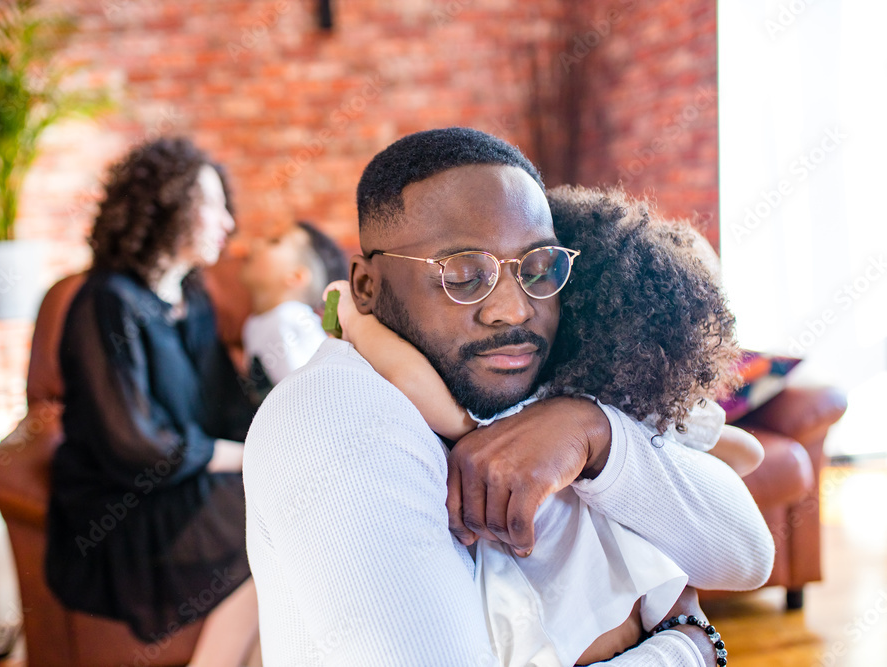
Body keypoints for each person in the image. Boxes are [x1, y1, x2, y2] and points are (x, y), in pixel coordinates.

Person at [243, 127, 775, 665]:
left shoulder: (560, 391)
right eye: (464, 275)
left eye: (539, 269)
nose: (514, 310)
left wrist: (593, 432)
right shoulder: (338, 417)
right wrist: (689, 649)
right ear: (365, 287)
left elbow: (749, 557)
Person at [46, 137, 260, 667]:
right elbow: (134, 444)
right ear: (166, 207)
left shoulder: (194, 297)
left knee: (291, 528)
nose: (228, 222)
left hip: (190, 483)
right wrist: (242, 458)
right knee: (281, 535)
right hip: (124, 510)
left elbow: (228, 411)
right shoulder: (106, 302)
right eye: (213, 205)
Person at [240, 221, 349, 398]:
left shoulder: (289, 317)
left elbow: (307, 393)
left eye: (274, 242)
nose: (256, 244)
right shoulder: (255, 322)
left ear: (295, 277)